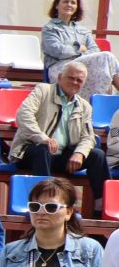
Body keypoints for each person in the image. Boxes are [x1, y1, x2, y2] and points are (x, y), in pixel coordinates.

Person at [11, 60, 108, 211]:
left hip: (62, 156)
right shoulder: (43, 90)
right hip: (31, 151)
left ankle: (102, 204)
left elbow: (88, 137)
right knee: (43, 149)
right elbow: (23, 115)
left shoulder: (84, 106)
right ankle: (47, 201)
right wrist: (42, 138)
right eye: (71, 77)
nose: (75, 82)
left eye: (79, 80)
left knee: (98, 155)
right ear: (60, 76)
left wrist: (79, 153)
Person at [42, 0, 116, 93]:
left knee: (106, 66)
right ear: (57, 6)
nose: (69, 4)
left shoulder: (83, 31)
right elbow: (57, 50)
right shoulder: (49, 28)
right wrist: (78, 49)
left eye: (73, 2)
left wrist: (77, 53)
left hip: (84, 67)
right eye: (65, 1)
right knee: (107, 57)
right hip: (60, 68)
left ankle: (104, 102)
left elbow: (95, 50)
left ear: (76, 8)